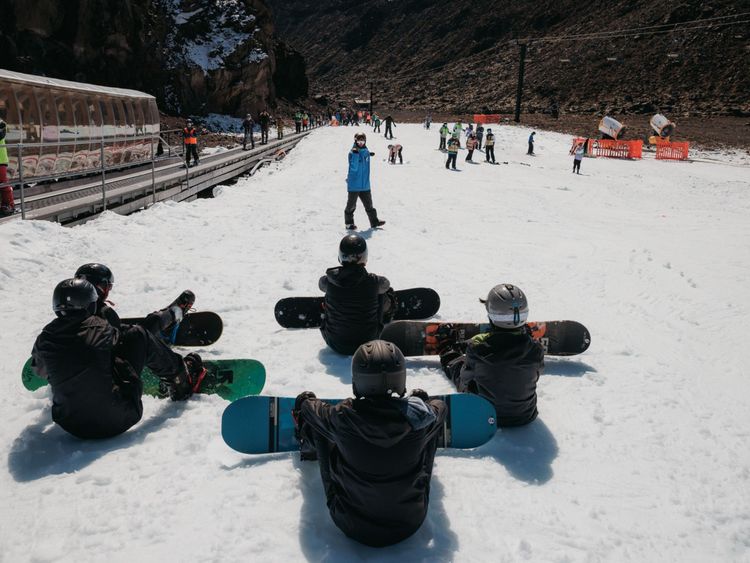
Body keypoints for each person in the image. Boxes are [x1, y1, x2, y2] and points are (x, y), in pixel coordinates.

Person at [293, 339, 447, 547]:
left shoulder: (343, 417)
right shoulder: (419, 418)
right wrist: (420, 403)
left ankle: (309, 443)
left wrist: (305, 400)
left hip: (350, 523)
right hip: (410, 522)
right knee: (428, 426)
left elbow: (312, 410)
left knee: (321, 429)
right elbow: (441, 408)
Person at [31, 278, 205, 440]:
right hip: (118, 418)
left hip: (71, 425)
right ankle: (182, 380)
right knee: (139, 335)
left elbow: (40, 370)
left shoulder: (44, 338)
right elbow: (126, 340)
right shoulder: (99, 326)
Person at [437, 284, 543, 427]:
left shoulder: (478, 348)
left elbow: (465, 378)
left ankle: (446, 348)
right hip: (525, 415)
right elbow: (536, 373)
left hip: (486, 415)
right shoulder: (536, 349)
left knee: (458, 369)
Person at [318, 235, 396, 354]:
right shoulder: (374, 281)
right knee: (381, 293)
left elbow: (321, 285)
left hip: (334, 342)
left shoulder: (330, 279)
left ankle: (332, 311)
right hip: (368, 343)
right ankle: (389, 310)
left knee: (330, 291)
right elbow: (386, 284)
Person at [344, 132, 384, 230]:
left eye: (363, 141)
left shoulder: (365, 151)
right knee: (351, 205)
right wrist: (356, 155)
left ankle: (374, 222)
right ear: (355, 141)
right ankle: (349, 223)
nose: (361, 143)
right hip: (354, 184)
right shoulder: (352, 153)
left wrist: (368, 154)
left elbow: (364, 158)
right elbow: (354, 168)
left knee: (369, 205)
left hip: (365, 184)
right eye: (359, 141)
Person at [0, 115, 14, 216]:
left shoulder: (1, 124)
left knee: (3, 183)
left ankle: (9, 205)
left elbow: (1, 134)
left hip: (0, 160)